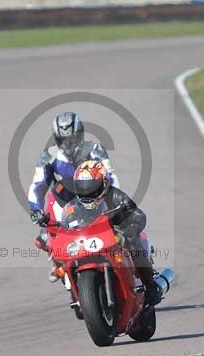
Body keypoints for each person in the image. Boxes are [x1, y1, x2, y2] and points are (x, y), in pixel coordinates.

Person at [27, 112, 119, 279]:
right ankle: (60, 264)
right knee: (44, 236)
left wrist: (114, 200)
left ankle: (144, 271)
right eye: (63, 140)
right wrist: (35, 209)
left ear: (80, 135)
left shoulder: (94, 150)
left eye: (72, 138)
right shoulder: (49, 156)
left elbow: (110, 176)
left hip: (97, 200)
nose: (68, 144)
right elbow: (38, 186)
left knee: (123, 226)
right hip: (65, 205)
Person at [70, 160, 161, 306]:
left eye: (91, 187)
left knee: (134, 245)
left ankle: (150, 285)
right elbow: (67, 221)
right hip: (91, 242)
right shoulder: (75, 204)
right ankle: (79, 295)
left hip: (117, 237)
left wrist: (128, 230)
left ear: (104, 182)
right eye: (81, 187)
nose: (86, 192)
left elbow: (138, 215)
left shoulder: (116, 196)